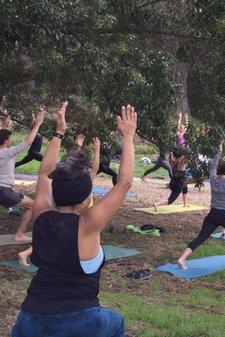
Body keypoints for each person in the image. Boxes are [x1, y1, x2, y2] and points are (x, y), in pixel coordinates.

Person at [11, 102, 136, 337]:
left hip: (30, 320)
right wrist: (128, 137)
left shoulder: (41, 214)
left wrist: (59, 132)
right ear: (84, 201)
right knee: (115, 322)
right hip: (80, 320)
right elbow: (124, 182)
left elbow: (43, 173)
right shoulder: (88, 225)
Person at [17, 134, 101, 267]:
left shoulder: (76, 184)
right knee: (66, 236)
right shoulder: (85, 182)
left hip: (67, 210)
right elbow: (95, 168)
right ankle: (28, 252)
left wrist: (78, 146)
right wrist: (97, 150)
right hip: (76, 214)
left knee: (55, 234)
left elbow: (74, 165)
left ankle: (27, 252)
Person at [177, 142, 225, 268]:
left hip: (212, 214)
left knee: (201, 238)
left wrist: (218, 153)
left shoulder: (213, 179)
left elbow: (212, 167)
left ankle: (182, 259)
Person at [0, 107, 46, 241]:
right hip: (4, 191)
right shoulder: (6, 153)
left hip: (5, 190)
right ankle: (19, 234)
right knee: (33, 205)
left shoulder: (5, 152)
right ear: (6, 141)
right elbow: (27, 142)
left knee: (30, 204)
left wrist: (4, 126)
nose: (11, 141)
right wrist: (37, 123)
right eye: (10, 139)